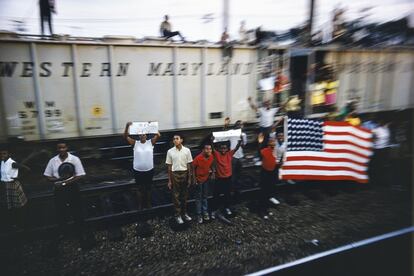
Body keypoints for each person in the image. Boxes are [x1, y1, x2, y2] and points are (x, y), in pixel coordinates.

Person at [44, 140, 86, 242]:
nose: (62, 149)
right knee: (60, 212)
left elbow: (80, 174)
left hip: (72, 188)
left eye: (63, 147)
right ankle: (64, 233)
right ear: (57, 149)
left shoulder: (74, 159)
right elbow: (47, 175)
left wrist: (65, 183)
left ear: (67, 148)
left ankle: (79, 232)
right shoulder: (53, 161)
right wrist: (58, 180)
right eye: (59, 148)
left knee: (76, 211)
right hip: (59, 190)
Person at [124, 122, 161, 209]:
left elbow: (159, 135)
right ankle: (140, 205)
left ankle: (148, 204)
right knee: (139, 188)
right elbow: (125, 136)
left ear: (146, 136)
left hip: (149, 170)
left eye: (144, 134)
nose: (142, 136)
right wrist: (127, 126)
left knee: (148, 188)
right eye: (141, 135)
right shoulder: (135, 143)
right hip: (138, 170)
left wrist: (153, 125)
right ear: (139, 136)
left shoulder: (150, 142)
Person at [211, 136, 242, 218]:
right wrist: (211, 140)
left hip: (228, 178)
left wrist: (239, 141)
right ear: (219, 149)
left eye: (225, 148)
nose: (223, 150)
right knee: (216, 195)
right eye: (222, 148)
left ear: (227, 149)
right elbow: (212, 149)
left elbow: (236, 148)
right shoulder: (217, 154)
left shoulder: (229, 154)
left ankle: (227, 207)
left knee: (227, 194)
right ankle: (214, 209)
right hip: (219, 179)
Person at [166, 134, 193, 224]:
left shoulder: (187, 150)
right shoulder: (170, 151)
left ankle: (184, 213)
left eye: (177, 139)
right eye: (173, 139)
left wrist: (189, 178)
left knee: (184, 195)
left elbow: (189, 165)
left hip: (185, 173)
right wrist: (169, 180)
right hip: (175, 174)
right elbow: (169, 167)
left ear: (181, 140)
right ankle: (178, 215)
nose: (175, 140)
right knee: (176, 196)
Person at [0, 146, 28, 229]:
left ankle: (22, 224)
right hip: (6, 186)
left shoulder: (12, 163)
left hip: (13, 185)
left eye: (4, 153)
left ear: (9, 154)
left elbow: (27, 169)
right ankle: (15, 223)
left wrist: (19, 178)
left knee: (18, 206)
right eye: (1, 154)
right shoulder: (2, 162)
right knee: (11, 205)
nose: (2, 155)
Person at [192, 144, 215, 224]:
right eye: (206, 149)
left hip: (206, 179)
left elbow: (212, 165)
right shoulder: (198, 158)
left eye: (210, 149)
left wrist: (212, 173)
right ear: (203, 150)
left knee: (205, 196)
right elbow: (192, 169)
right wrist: (194, 179)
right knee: (198, 197)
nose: (208, 150)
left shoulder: (211, 156)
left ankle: (205, 212)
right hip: (198, 180)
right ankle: (199, 214)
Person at [258, 137, 280, 219]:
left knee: (269, 193)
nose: (273, 144)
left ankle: (266, 209)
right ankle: (261, 211)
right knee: (263, 193)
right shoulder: (264, 151)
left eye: (274, 142)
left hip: (272, 173)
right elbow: (260, 150)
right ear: (268, 143)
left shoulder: (276, 152)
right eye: (271, 142)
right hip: (265, 174)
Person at [370, 119, 391, 186]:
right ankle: (378, 181)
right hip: (380, 149)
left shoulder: (384, 129)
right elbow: (372, 138)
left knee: (380, 166)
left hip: (381, 149)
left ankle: (379, 181)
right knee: (379, 166)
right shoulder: (380, 130)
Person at [229, 120, 247, 195]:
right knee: (232, 174)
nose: (239, 126)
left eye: (241, 125)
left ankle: (238, 189)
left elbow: (244, 145)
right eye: (238, 124)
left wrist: (242, 138)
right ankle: (231, 189)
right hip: (233, 156)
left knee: (239, 173)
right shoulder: (231, 132)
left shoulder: (243, 134)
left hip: (240, 156)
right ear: (235, 125)